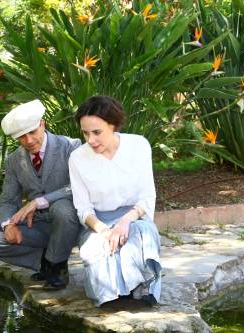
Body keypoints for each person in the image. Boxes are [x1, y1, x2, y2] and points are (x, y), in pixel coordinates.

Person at [68, 96, 161, 307]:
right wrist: (103, 230)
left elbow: (147, 196)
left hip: (135, 216)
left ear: (113, 125)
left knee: (138, 237)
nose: (90, 140)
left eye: (97, 132)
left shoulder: (139, 145)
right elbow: (82, 208)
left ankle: (140, 288)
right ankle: (113, 293)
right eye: (85, 133)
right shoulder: (77, 158)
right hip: (97, 223)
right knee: (98, 248)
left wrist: (124, 222)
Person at [0, 99, 81, 289]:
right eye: (21, 137)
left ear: (42, 124)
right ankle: (46, 261)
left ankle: (57, 266)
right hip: (39, 227)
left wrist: (39, 202)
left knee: (62, 209)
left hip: (70, 225)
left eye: (32, 132)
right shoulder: (13, 161)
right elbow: (8, 201)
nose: (28, 141)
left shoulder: (70, 146)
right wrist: (7, 225)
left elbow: (78, 187)